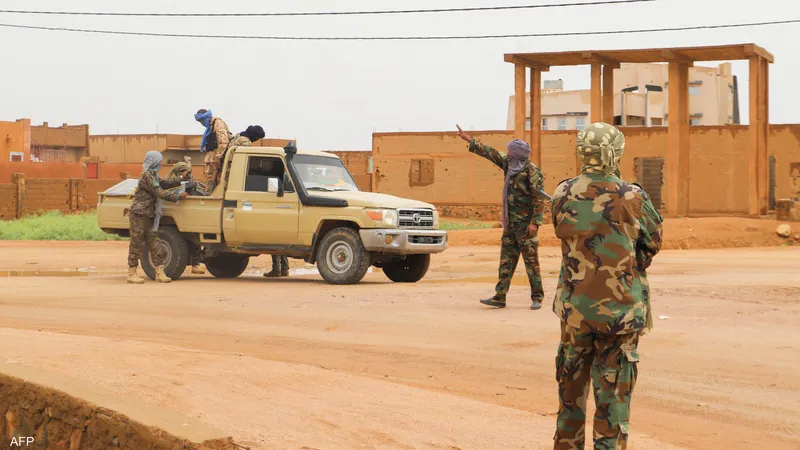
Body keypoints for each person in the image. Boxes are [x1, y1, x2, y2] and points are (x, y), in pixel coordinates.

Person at [550, 122, 663, 450]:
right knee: (612, 404)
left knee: (570, 400)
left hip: (574, 312)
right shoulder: (632, 196)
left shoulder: (562, 193)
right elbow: (652, 242)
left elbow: (564, 233)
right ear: (613, 154)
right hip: (620, 315)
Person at [456, 125, 546, 310]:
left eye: (510, 151)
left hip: (525, 226)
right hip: (510, 224)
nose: (507, 153)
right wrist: (469, 140)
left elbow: (538, 199)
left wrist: (535, 223)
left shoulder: (532, 171)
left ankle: (537, 297)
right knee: (506, 261)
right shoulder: (509, 165)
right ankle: (500, 296)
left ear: (517, 153)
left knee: (531, 263)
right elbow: (491, 153)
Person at [127, 151, 188, 284]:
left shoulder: (154, 175)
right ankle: (132, 273)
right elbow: (159, 192)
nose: (160, 164)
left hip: (148, 216)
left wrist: (181, 178)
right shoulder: (146, 176)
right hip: (139, 215)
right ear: (153, 162)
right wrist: (177, 196)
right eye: (159, 161)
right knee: (136, 244)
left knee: (156, 244)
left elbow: (165, 183)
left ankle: (160, 273)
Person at [164, 160, 206, 275]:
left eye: (186, 171)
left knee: (194, 241)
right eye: (182, 171)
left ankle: (195, 265)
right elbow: (167, 186)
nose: (186, 173)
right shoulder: (174, 182)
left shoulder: (190, 182)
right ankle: (193, 265)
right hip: (179, 215)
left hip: (190, 215)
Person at [216, 125, 266, 189]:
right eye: (257, 138)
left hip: (227, 165)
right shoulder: (245, 142)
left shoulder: (239, 136)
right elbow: (247, 157)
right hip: (232, 166)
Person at [195, 109, 232, 191]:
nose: (202, 123)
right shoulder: (210, 127)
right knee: (209, 179)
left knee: (220, 179)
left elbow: (223, 141)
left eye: (201, 121)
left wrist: (218, 158)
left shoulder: (217, 123)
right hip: (212, 158)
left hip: (218, 158)